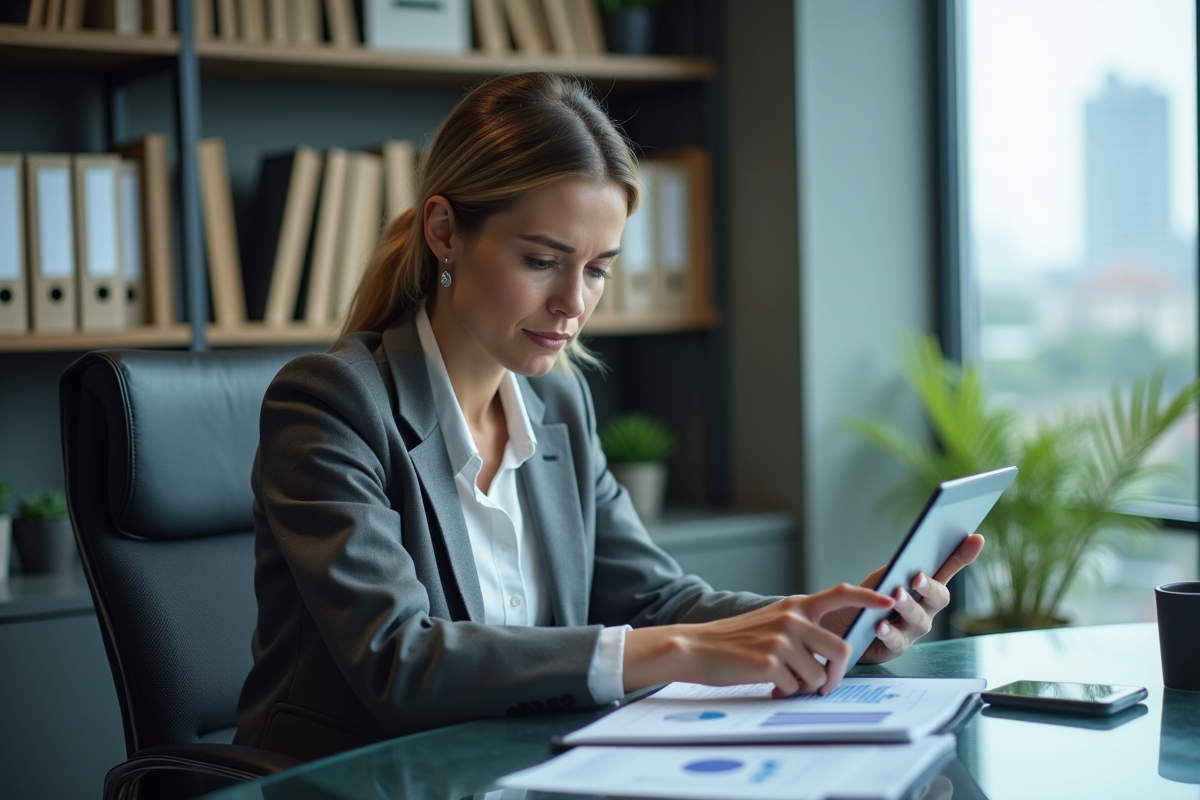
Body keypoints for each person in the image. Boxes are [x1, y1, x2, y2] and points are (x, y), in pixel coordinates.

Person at [234, 71, 984, 762]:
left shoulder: (557, 400)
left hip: (523, 768)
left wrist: (825, 622)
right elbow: (398, 662)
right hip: (352, 778)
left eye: (597, 269)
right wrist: (677, 650)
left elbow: (656, 600)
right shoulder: (332, 403)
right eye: (541, 260)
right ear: (444, 232)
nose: (574, 303)